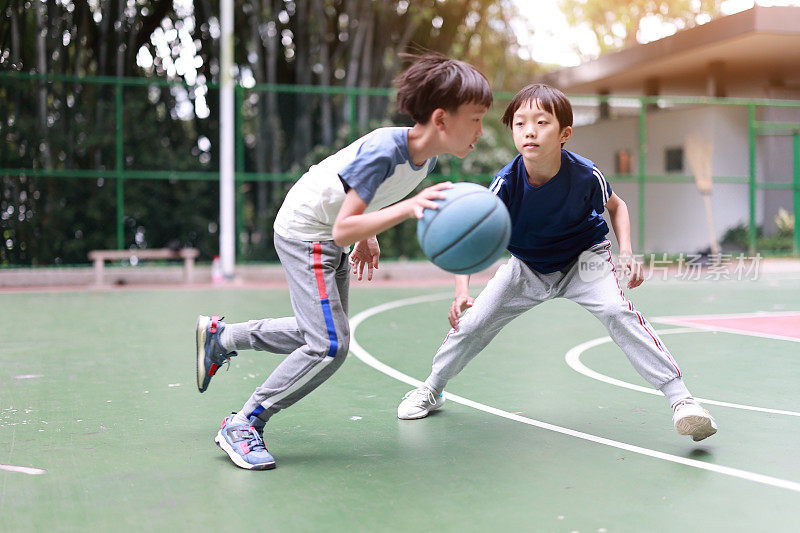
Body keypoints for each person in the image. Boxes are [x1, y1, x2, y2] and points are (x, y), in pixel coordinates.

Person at [195, 53, 493, 470]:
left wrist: (368, 233)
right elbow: (341, 228)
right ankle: (245, 421)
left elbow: (360, 192)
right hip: (307, 232)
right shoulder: (385, 150)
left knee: (315, 332)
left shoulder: (425, 155)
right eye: (476, 119)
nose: (481, 130)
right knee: (329, 344)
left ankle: (223, 338)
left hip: (324, 228)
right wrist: (404, 212)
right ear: (442, 119)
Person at [397, 83, 717, 442]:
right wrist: (461, 291)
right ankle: (433, 387)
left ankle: (682, 401)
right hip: (528, 266)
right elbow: (471, 239)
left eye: (541, 122)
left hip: (585, 260)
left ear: (564, 133)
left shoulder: (584, 174)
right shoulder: (505, 183)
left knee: (616, 311)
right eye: (520, 124)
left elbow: (617, 206)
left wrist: (626, 252)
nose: (529, 130)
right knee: (473, 324)